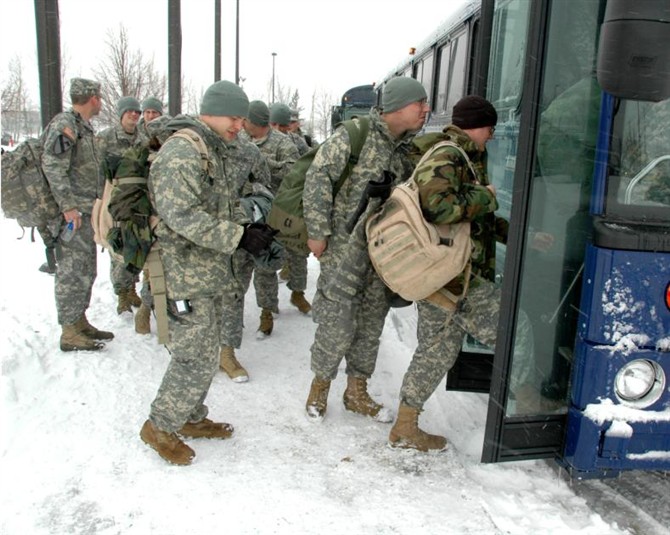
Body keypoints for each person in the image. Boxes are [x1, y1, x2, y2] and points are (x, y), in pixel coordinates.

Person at [387, 95, 536, 451]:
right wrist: (486, 197)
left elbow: (471, 219)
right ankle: (528, 412)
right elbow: (439, 209)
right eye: (491, 128)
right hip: (454, 279)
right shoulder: (449, 156)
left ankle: (405, 425)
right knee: (517, 328)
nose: (493, 136)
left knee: (437, 351)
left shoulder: (462, 155)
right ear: (479, 125)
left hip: (447, 279)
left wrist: (514, 236)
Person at [139, 80, 276, 465]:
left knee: (205, 347)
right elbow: (180, 215)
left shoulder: (212, 149)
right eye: (233, 117)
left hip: (208, 268)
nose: (238, 124)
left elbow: (213, 204)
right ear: (211, 111)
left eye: (242, 118)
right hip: (183, 272)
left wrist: (249, 226)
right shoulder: (182, 152)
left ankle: (190, 416)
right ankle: (160, 426)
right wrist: (237, 236)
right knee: (194, 356)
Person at [303, 77, 430, 423]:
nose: (426, 110)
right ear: (399, 106)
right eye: (420, 104)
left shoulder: (406, 148)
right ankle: (320, 388)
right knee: (337, 321)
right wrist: (317, 232)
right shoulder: (354, 135)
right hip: (344, 251)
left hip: (382, 256)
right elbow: (318, 179)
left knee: (371, 322)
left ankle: (356, 391)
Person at [41, 77, 114, 352]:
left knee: (85, 269)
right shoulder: (66, 125)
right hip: (71, 213)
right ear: (93, 98)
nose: (100, 101)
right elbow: (53, 166)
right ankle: (69, 331)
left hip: (84, 211)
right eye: (99, 97)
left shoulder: (82, 127)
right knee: (72, 271)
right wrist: (68, 207)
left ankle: (78, 321)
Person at [240, 100, 300, 337]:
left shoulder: (281, 142)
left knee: (266, 265)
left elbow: (294, 171)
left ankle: (267, 311)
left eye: (245, 120)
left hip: (271, 212)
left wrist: (263, 162)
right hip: (244, 212)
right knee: (240, 266)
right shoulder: (241, 141)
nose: (242, 124)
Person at [97, 96, 144, 315]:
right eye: (130, 112)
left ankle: (132, 286)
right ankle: (121, 294)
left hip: (137, 200)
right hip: (114, 199)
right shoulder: (106, 138)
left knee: (135, 243)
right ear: (121, 114)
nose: (134, 115)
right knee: (117, 245)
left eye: (137, 112)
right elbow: (97, 170)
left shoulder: (143, 139)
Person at [268, 102, 313, 315]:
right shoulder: (258, 141)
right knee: (266, 255)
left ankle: (298, 293)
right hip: (267, 208)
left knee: (298, 254)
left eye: (283, 125)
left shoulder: (298, 143)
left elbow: (306, 168)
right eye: (273, 124)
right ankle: (267, 307)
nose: (278, 129)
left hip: (292, 207)